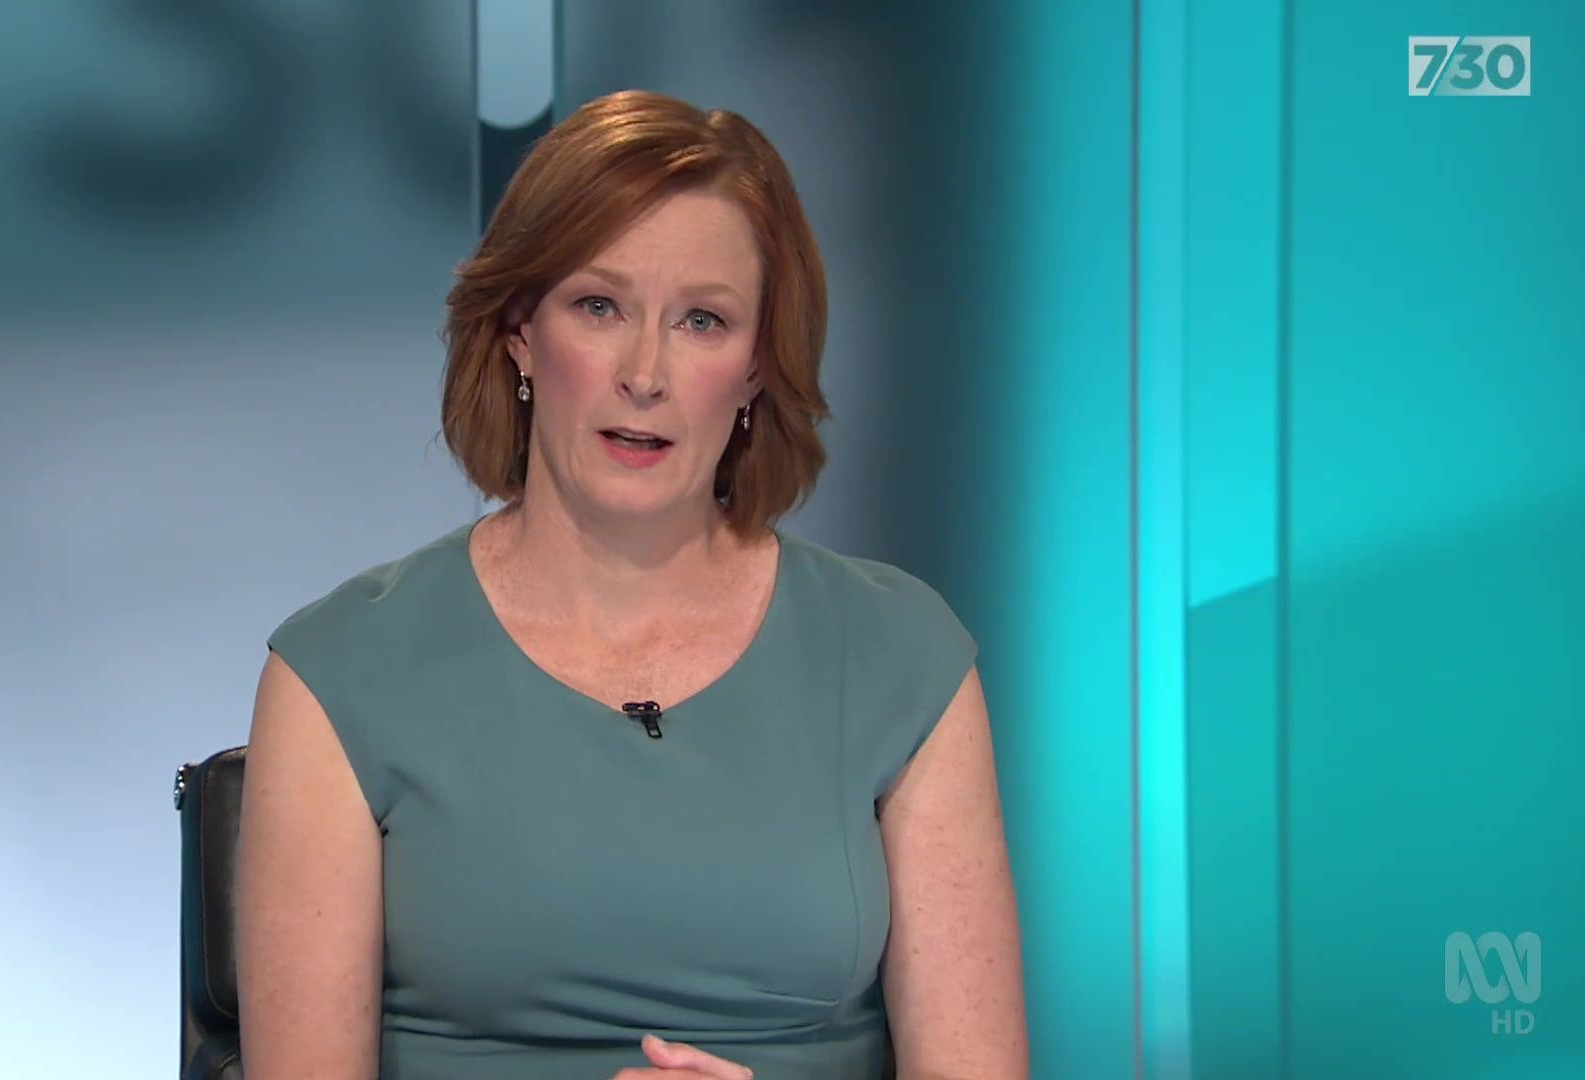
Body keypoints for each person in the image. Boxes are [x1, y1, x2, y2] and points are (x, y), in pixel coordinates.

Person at [234, 89, 1028, 1080]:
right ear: (520, 331)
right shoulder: (342, 674)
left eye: (703, 320)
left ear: (755, 369)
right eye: (599, 307)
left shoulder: (901, 658)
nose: (645, 373)